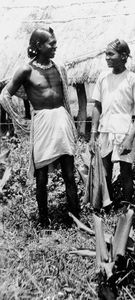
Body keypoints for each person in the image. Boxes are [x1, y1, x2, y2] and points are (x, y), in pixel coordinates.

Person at [0, 27, 80, 226]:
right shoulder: (26, 70)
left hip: (62, 121)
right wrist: (20, 120)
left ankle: (76, 220)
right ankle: (44, 222)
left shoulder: (59, 67)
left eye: (54, 42)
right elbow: (5, 95)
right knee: (41, 176)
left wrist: (71, 124)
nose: (55, 46)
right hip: (43, 123)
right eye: (50, 43)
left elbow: (67, 100)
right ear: (37, 46)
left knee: (69, 174)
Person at [89, 39, 135, 207]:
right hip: (105, 130)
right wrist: (93, 135)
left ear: (123, 56)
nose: (106, 57)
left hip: (124, 132)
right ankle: (107, 205)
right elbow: (97, 106)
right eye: (106, 54)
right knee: (105, 171)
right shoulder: (103, 77)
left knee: (125, 172)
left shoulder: (133, 79)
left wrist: (130, 137)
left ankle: (127, 208)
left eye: (110, 54)